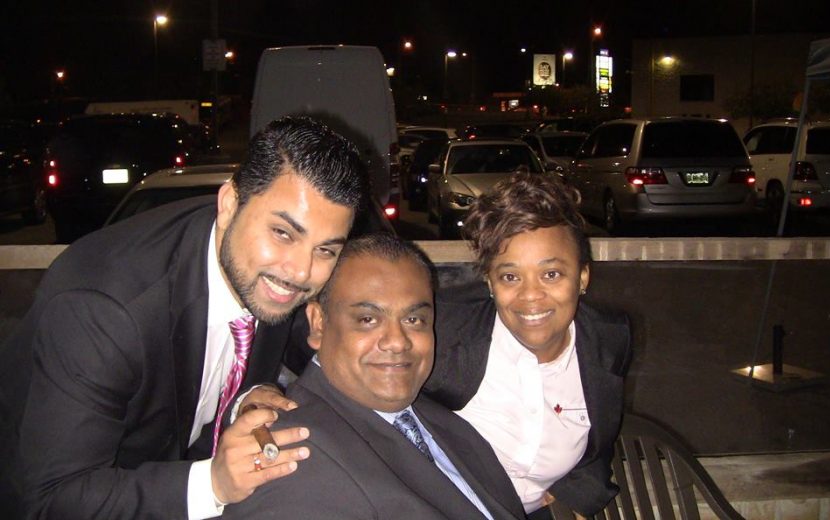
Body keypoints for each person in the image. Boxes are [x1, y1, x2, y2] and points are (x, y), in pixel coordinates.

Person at [4, 116, 369, 519]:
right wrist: (214, 483)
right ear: (230, 204)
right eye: (283, 233)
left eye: (326, 250)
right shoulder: (104, 310)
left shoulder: (255, 262)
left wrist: (244, 399)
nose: (301, 272)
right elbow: (54, 499)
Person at [223, 234, 526, 520]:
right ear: (318, 324)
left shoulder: (446, 423)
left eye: (413, 319)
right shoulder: (292, 459)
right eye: (367, 319)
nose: (397, 341)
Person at [423, 172, 633, 519]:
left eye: (551, 274)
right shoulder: (444, 331)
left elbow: (600, 439)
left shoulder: (608, 340)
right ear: (489, 281)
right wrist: (304, 402)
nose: (531, 296)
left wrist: (580, 494)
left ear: (582, 277)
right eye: (510, 276)